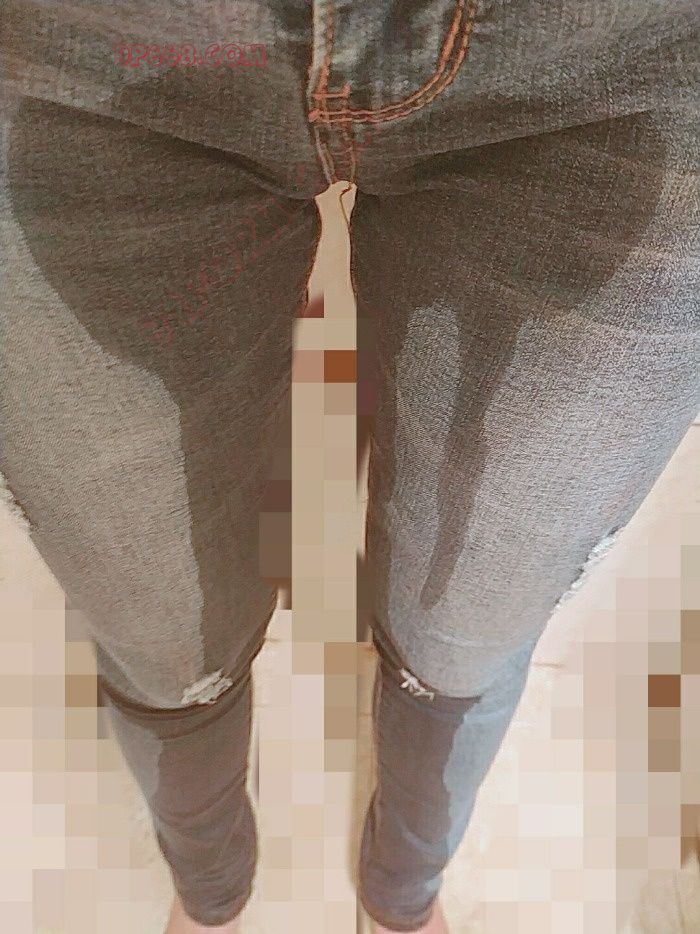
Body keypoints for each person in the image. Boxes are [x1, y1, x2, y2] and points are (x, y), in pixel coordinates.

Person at [1, 2, 698, 931]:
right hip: (85, 41)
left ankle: (402, 891)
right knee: (163, 637)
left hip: (618, 48)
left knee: (465, 634)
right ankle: (213, 889)